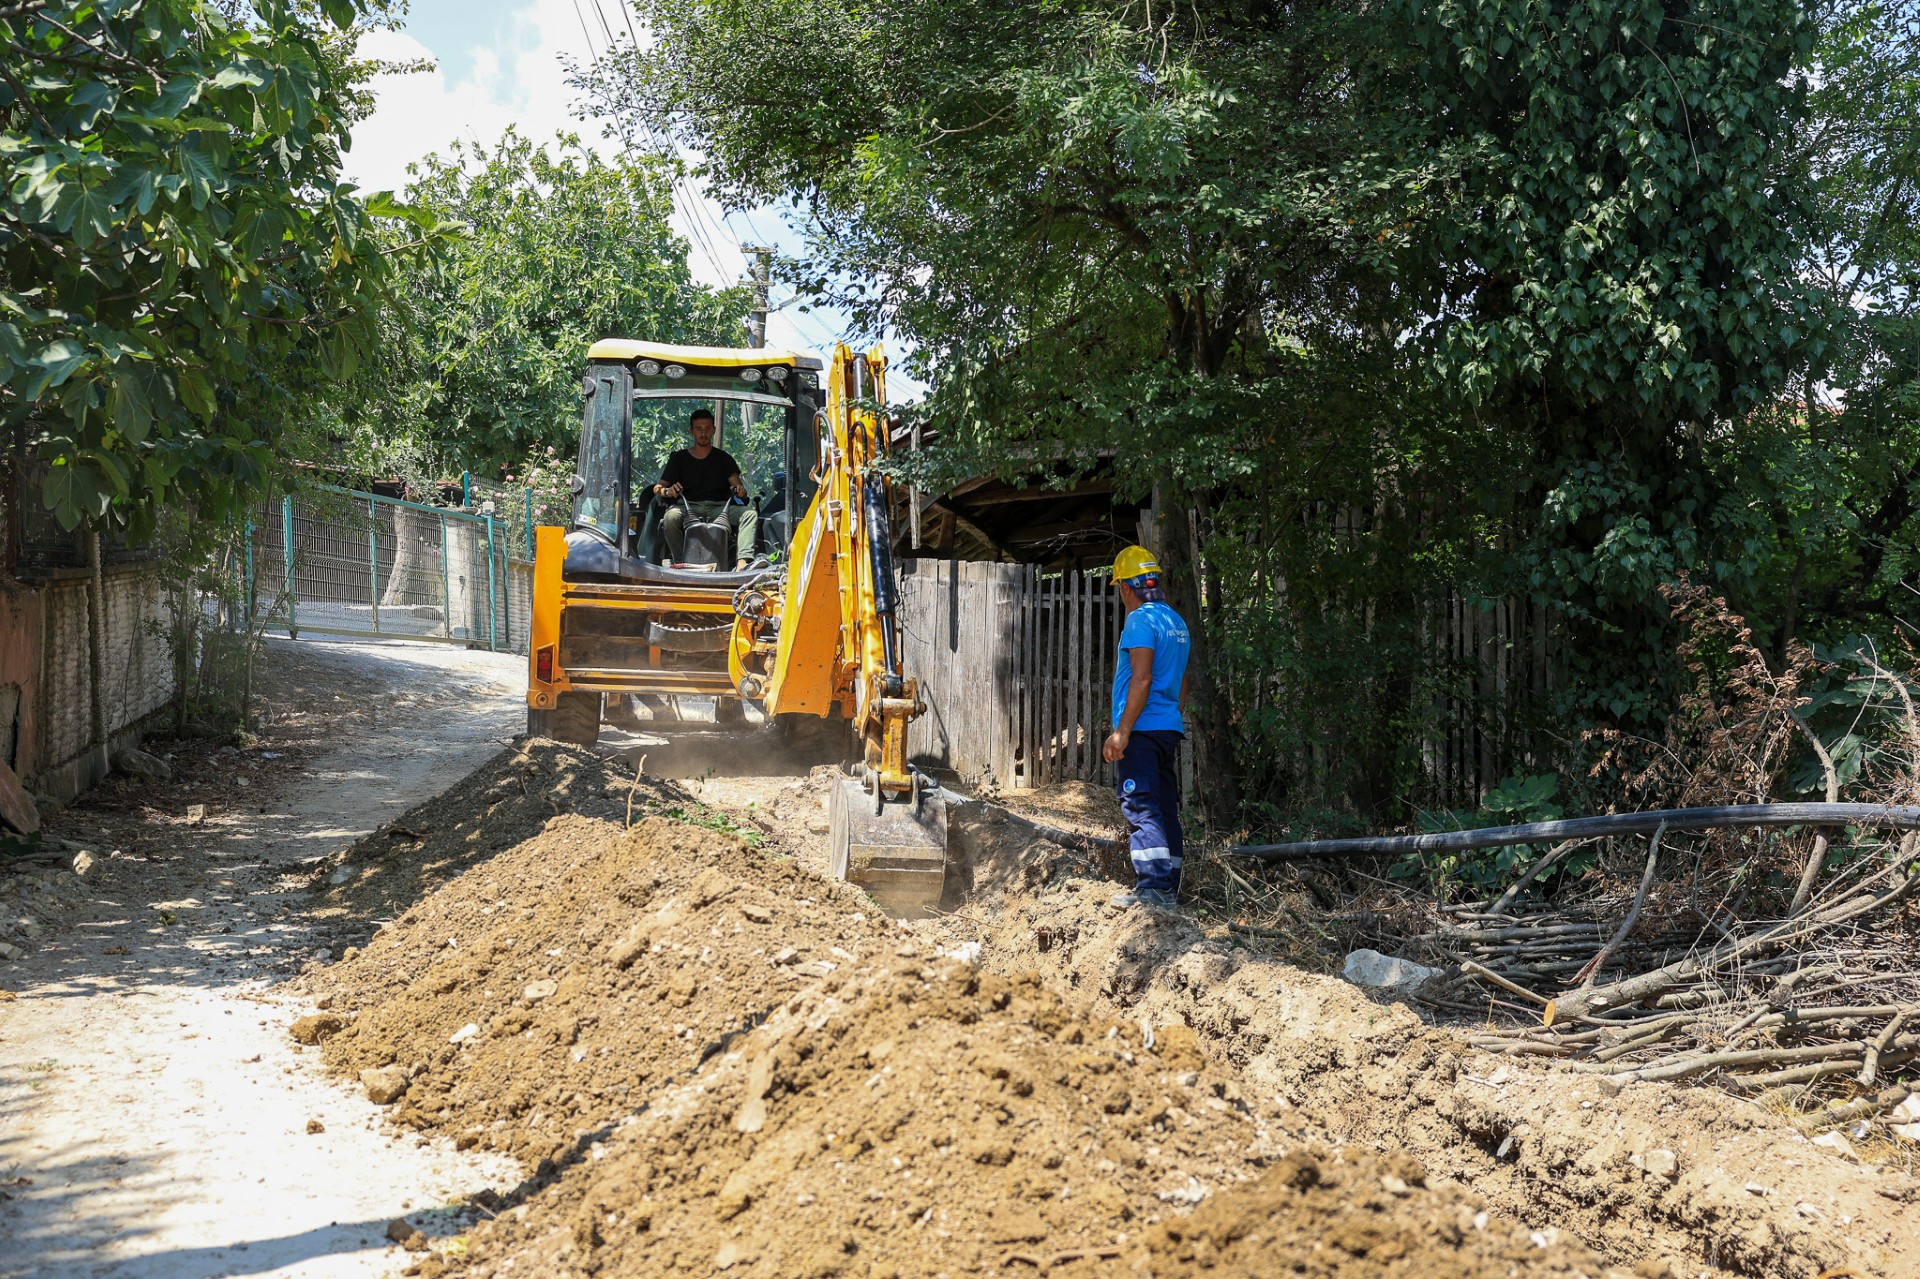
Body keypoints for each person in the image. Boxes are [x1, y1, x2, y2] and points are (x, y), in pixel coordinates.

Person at [1100, 545, 1191, 910]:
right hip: (1168, 726)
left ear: (1126, 587)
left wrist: (1122, 731)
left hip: (1142, 728)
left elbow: (1141, 679)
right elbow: (1181, 682)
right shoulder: (1176, 621)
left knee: (1140, 802)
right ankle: (1169, 883)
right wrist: (1171, 714)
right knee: (1165, 803)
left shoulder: (1140, 621)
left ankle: (1153, 888)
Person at [652, 408, 758, 569]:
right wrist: (667, 491)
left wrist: (740, 491)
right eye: (699, 429)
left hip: (720, 508)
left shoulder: (724, 458)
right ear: (691, 431)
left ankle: (742, 563)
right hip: (687, 507)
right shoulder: (679, 458)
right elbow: (658, 488)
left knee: (750, 514)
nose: (703, 433)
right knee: (670, 517)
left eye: (708, 428)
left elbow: (739, 487)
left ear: (714, 430)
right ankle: (681, 561)